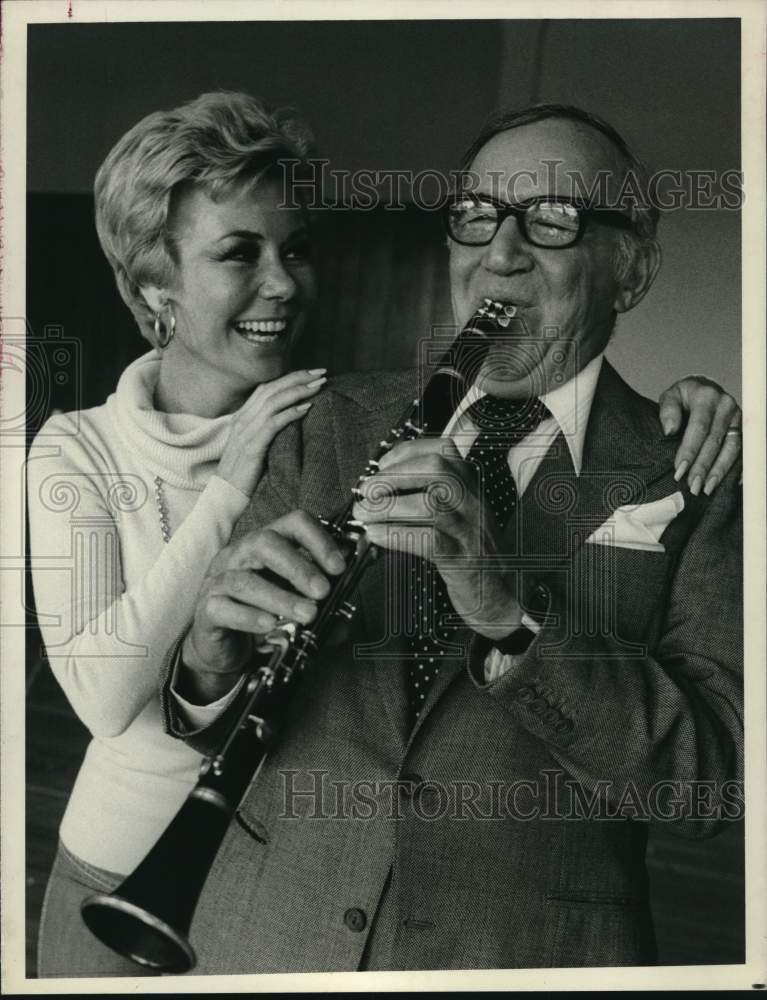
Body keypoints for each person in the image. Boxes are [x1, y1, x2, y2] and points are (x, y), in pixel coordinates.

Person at [162, 104, 743, 972]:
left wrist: (510, 611)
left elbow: (713, 783)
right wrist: (209, 661)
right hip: (268, 935)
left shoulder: (693, 470)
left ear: (631, 269)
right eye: (475, 217)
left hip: (525, 953)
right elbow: (225, 718)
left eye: (552, 220)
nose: (499, 254)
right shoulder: (327, 422)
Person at [27, 91, 328, 977]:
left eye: (296, 249)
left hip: (287, 886)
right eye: (239, 252)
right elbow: (104, 700)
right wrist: (230, 485)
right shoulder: (76, 449)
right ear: (152, 286)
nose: (283, 282)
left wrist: (679, 409)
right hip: (114, 875)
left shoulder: (335, 426)